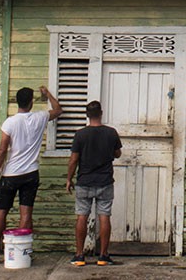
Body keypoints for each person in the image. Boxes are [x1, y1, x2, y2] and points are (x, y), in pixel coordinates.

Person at [0, 85, 62, 263]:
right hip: (31, 174)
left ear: (17, 102)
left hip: (11, 174)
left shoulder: (10, 122)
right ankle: (21, 252)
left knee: (1, 213)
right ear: (31, 102)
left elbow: (2, 149)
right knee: (25, 214)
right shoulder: (40, 117)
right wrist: (47, 93)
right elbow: (58, 109)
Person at [65, 100, 122, 266]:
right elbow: (117, 154)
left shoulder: (80, 134)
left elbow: (73, 160)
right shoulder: (111, 133)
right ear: (101, 113)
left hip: (84, 182)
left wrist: (69, 178)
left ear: (87, 115)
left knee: (82, 216)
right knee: (104, 216)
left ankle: (79, 255)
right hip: (105, 181)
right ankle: (103, 255)